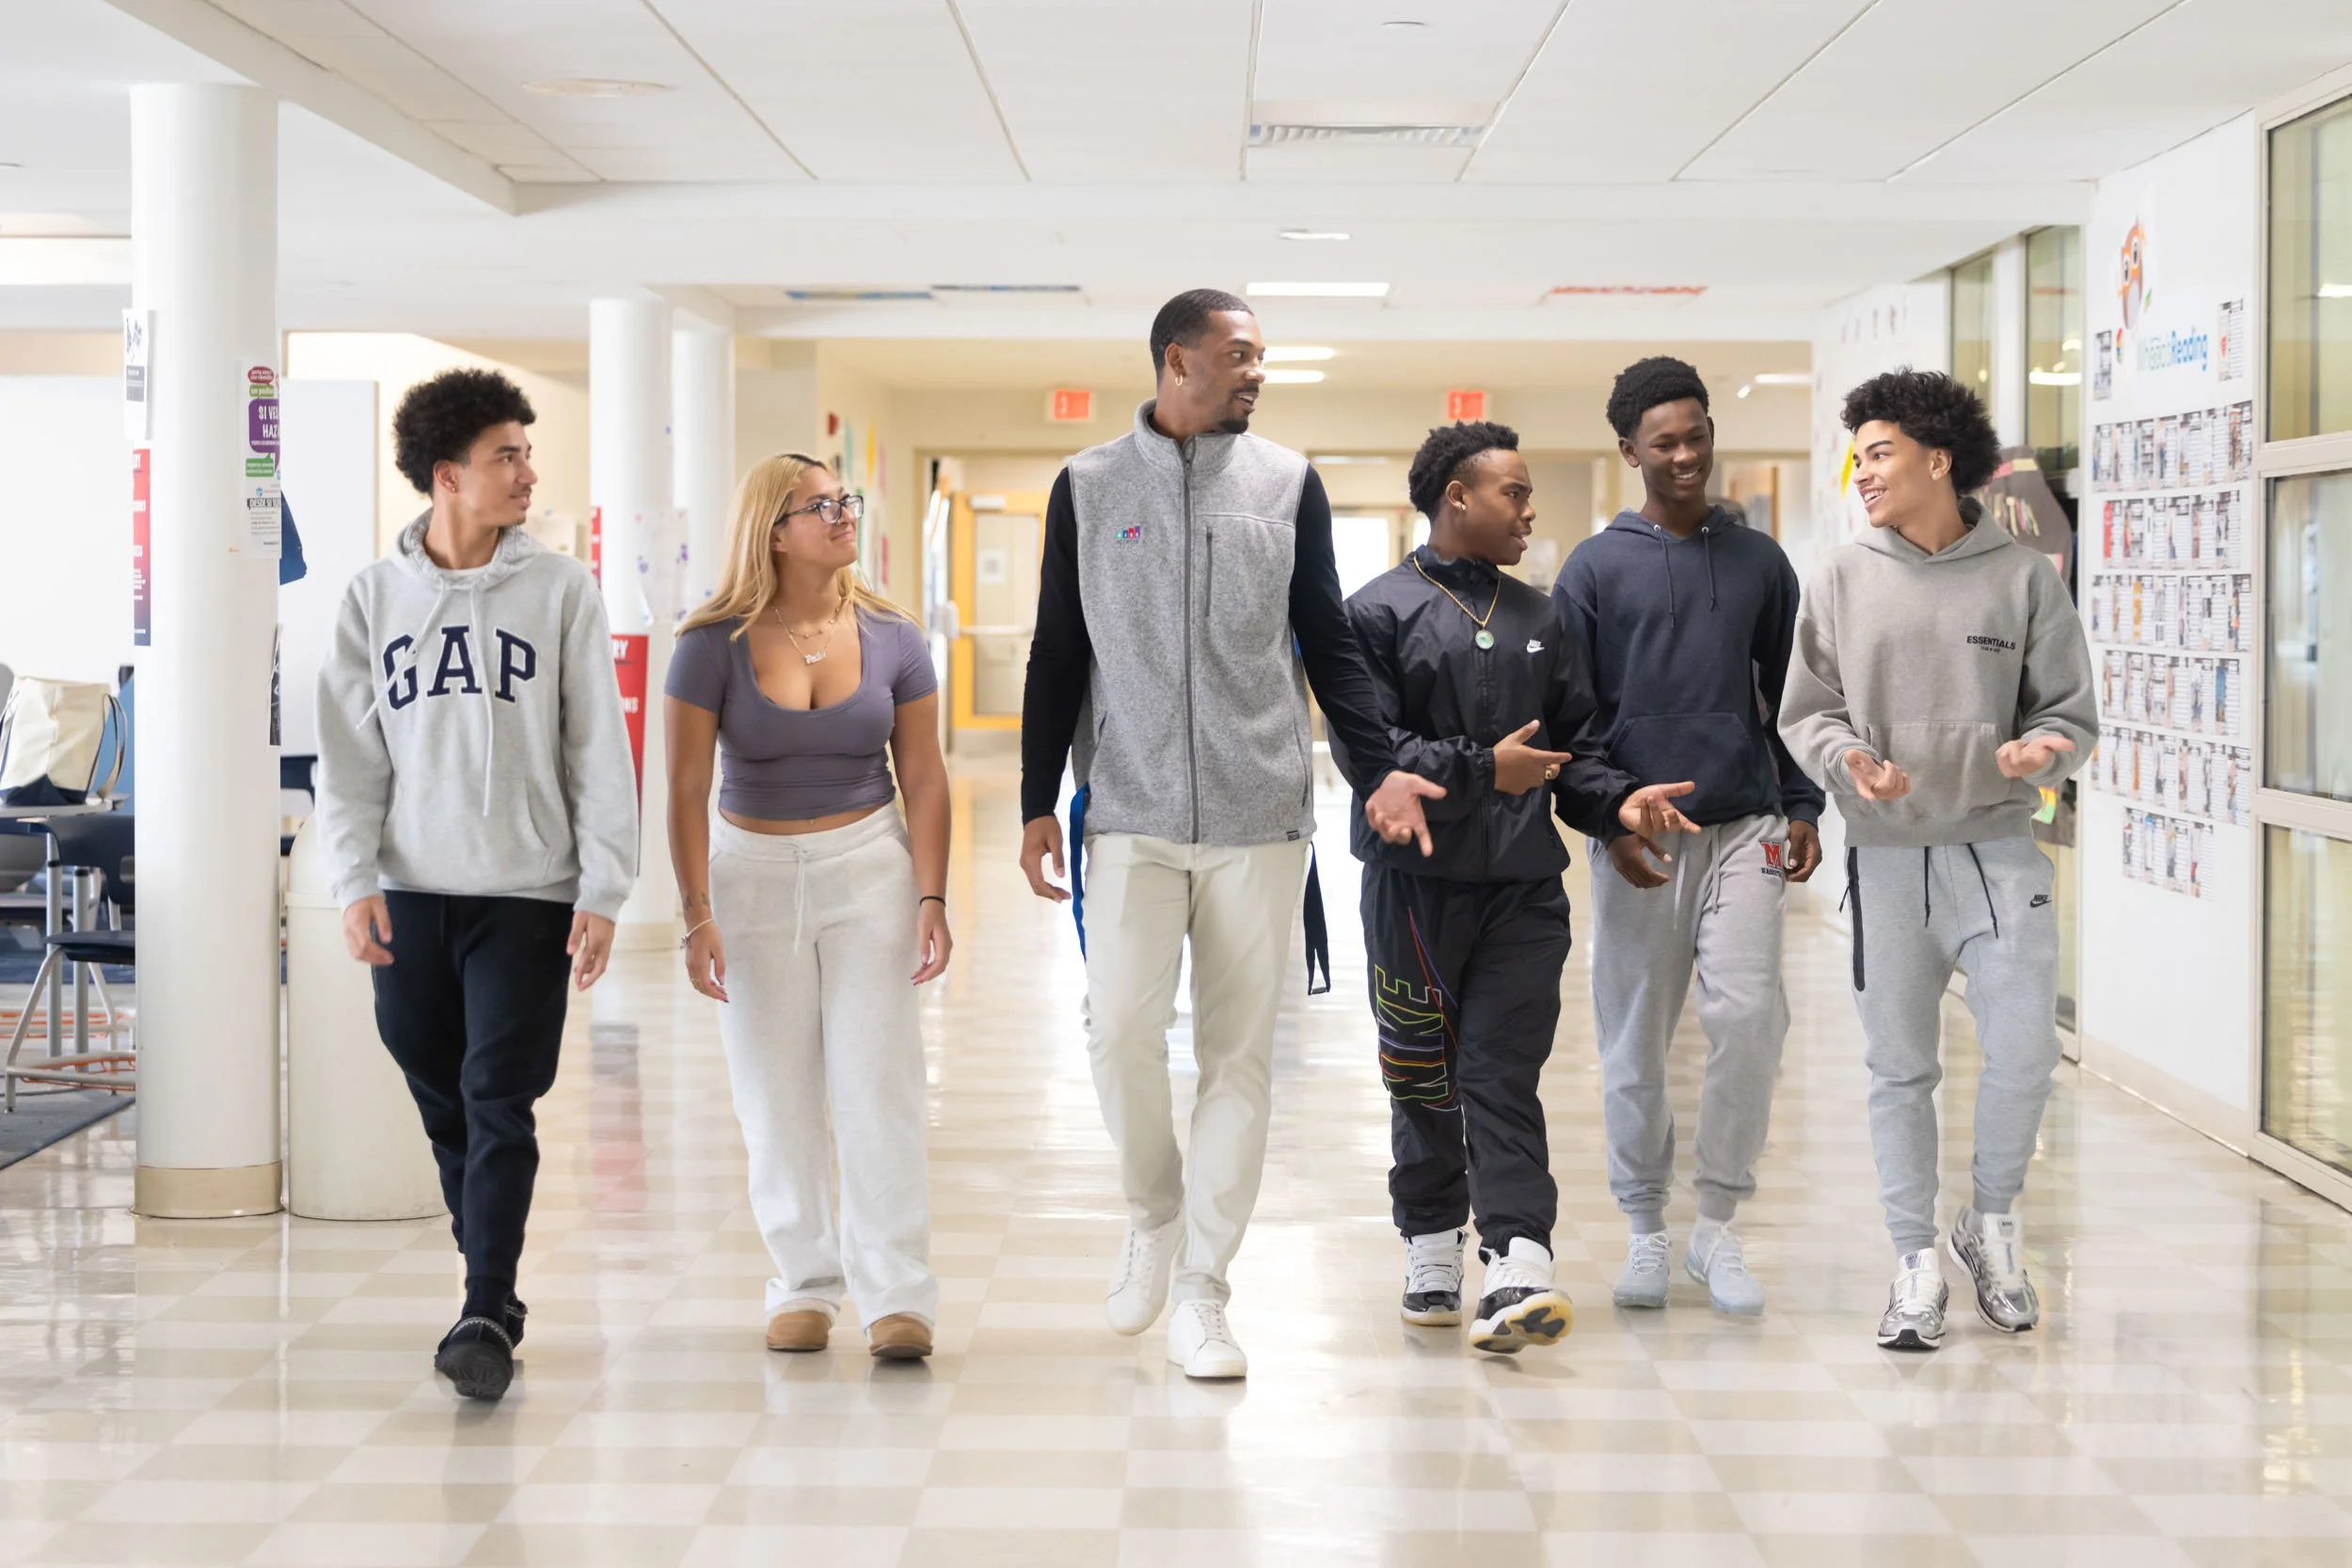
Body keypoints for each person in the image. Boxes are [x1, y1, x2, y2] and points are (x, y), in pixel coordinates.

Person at [1018, 288, 1445, 1381]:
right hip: (1130, 809)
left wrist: (1374, 767)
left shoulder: (1286, 483)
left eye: (1262, 358)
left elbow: (1328, 643)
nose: (1257, 372)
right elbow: (1059, 650)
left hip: (1260, 815)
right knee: (1115, 1028)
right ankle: (1152, 1209)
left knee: (1237, 1060)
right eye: (1241, 355)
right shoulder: (1089, 483)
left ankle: (1205, 1288)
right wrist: (1032, 798)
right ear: (1177, 360)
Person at [316, 368, 638, 1402]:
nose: (527, 473)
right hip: (411, 889)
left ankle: (482, 1300)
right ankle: (490, 1297)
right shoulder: (373, 596)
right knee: (439, 1091)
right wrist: (351, 876)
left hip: (529, 890)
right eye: (507, 454)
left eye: (526, 453)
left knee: (501, 1095)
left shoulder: (562, 590)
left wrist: (604, 886)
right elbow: (351, 758)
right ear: (446, 475)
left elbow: (599, 745)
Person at [1343, 421, 1698, 1354]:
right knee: (1422, 1072)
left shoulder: (1543, 617)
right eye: (1514, 492)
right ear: (1456, 496)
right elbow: (1373, 754)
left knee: (1502, 1069)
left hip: (1521, 892)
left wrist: (1619, 805)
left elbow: (1573, 752)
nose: (1529, 510)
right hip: (1412, 888)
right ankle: (1429, 1239)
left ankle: (1517, 1259)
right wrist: (1480, 771)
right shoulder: (1374, 613)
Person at [1778, 368, 2097, 1352]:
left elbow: (2065, 709)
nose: (1863, 472)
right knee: (1899, 1068)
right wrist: (1849, 762)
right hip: (1886, 860)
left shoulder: (2022, 576)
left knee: (2024, 1053)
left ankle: (1989, 1221)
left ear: (1937, 459)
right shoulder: (1838, 576)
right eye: (1858, 455)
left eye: (1879, 453)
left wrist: (2046, 748)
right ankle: (1914, 1255)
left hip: (2000, 851)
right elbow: (1806, 709)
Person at [663, 453, 951, 1363]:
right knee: (773, 1094)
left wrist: (933, 891)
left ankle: (897, 1291)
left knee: (879, 1084)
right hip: (750, 876)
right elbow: (681, 785)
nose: (842, 515)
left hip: (868, 865)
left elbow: (927, 776)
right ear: (772, 530)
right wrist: (695, 910)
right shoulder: (709, 641)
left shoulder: (895, 635)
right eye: (819, 505)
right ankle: (802, 1283)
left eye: (845, 500)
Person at [1552, 357, 1825, 1318]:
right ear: (1628, 451)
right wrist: (1606, 814)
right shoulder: (1591, 570)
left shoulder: (1759, 562)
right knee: (1633, 1043)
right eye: (1662, 441)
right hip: (1643, 835)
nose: (1683, 454)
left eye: (1696, 434)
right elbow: (1571, 723)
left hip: (1743, 820)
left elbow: (1791, 699)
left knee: (1750, 1016)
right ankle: (1643, 1225)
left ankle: (1715, 1224)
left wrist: (1801, 805)